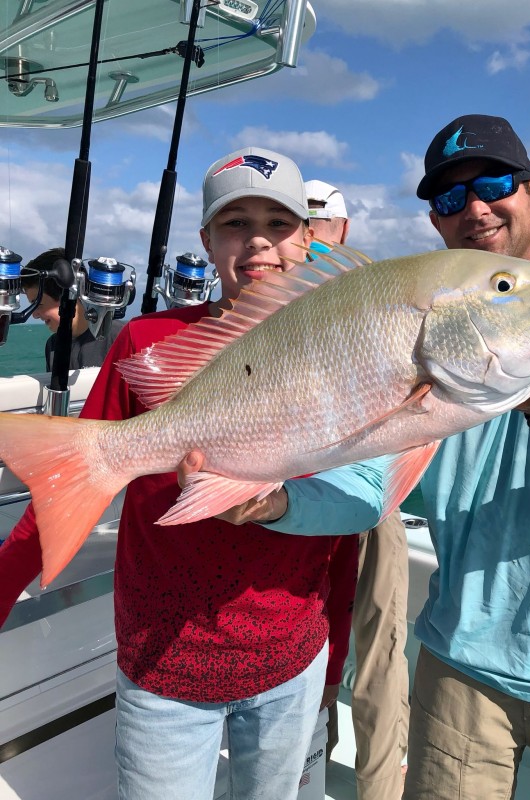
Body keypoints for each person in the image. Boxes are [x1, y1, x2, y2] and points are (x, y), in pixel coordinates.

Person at [201, 115, 530, 799]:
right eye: (450, 199)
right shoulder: (438, 336)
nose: (475, 208)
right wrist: (276, 503)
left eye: (493, 185)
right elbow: (370, 490)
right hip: (456, 668)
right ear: (434, 220)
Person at [0, 147, 367, 800]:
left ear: (308, 239)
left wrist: (333, 655)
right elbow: (76, 475)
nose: (257, 241)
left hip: (291, 659)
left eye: (279, 224)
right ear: (206, 240)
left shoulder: (336, 352)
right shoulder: (145, 342)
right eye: (235, 223)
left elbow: (340, 524)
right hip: (162, 658)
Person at [305, 178, 410, 799]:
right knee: (324, 648)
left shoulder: (371, 289)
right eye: (304, 226)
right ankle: (311, 769)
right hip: (293, 490)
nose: (315, 240)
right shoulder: (270, 292)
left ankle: (375, 788)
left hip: (370, 496)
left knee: (374, 656)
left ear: (343, 231)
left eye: (322, 226)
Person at [20, 247, 123, 370]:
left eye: (38, 304)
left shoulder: (121, 338)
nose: (34, 315)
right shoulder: (52, 345)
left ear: (66, 296)